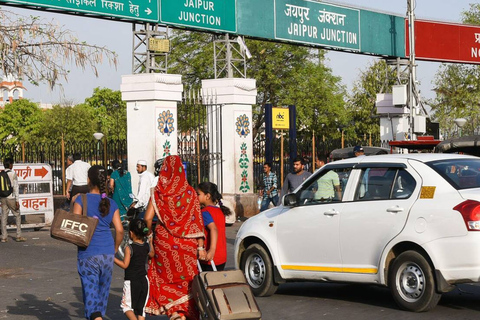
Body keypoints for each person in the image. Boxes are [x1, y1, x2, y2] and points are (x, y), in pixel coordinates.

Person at [143, 155, 205, 320]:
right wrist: (200, 247)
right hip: (187, 246)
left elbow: (148, 219)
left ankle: (174, 312)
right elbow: (197, 222)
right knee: (187, 283)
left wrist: (149, 236)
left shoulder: (158, 193)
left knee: (166, 280)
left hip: (164, 244)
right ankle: (183, 312)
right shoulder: (191, 193)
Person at [73, 165, 123, 320]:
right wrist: (115, 248)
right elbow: (120, 230)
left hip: (88, 253)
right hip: (108, 253)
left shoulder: (81, 200)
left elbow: (74, 224)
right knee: (102, 297)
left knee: (91, 298)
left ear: (88, 180)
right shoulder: (110, 203)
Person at [114, 218, 154, 320]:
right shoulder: (146, 246)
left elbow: (125, 265)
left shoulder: (129, 248)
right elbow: (152, 254)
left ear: (131, 233)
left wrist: (112, 258)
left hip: (131, 281)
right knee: (141, 308)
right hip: (144, 280)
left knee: (126, 306)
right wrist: (151, 241)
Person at [196, 181, 231, 271]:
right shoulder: (219, 211)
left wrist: (211, 250)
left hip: (209, 258)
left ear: (207, 196)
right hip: (222, 257)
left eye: (198, 194)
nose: (196, 197)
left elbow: (214, 229)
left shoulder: (204, 212)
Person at [1, 157, 25, 243]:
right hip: (11, 197)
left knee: (4, 216)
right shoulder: (13, 174)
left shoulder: (1, 173)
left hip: (3, 198)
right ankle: (18, 235)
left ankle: (4, 237)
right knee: (17, 215)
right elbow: (16, 188)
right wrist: (17, 201)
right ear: (11, 165)